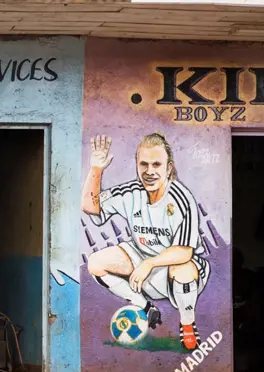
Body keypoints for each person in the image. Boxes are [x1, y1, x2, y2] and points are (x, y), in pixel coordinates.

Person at [82, 133, 209, 351]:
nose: (149, 171)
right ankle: (145, 306)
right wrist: (96, 170)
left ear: (168, 168)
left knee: (184, 268)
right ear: (137, 165)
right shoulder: (130, 192)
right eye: (144, 164)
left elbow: (184, 252)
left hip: (173, 271)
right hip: (141, 261)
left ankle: (187, 323)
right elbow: (91, 207)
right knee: (95, 262)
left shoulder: (181, 198)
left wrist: (148, 264)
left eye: (156, 164)